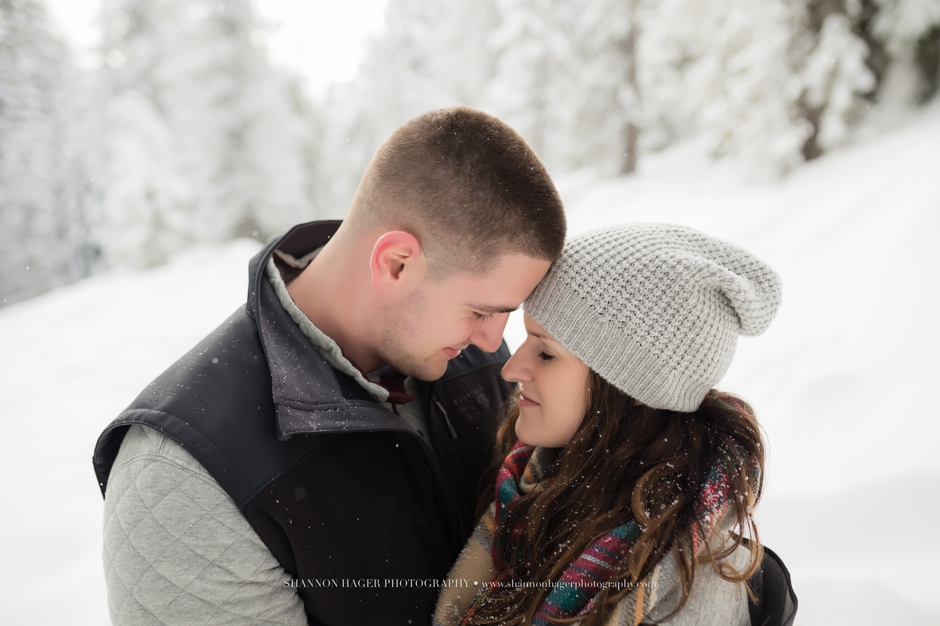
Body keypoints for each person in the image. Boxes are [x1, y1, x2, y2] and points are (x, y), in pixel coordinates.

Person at [92, 106, 566, 626]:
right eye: (479, 312)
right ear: (396, 263)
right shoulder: (181, 477)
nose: (495, 342)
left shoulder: (465, 352)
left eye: (504, 315)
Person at [434, 223, 797, 626]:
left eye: (547, 353)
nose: (511, 368)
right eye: (526, 338)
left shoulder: (687, 593)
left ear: (630, 389)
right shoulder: (531, 495)